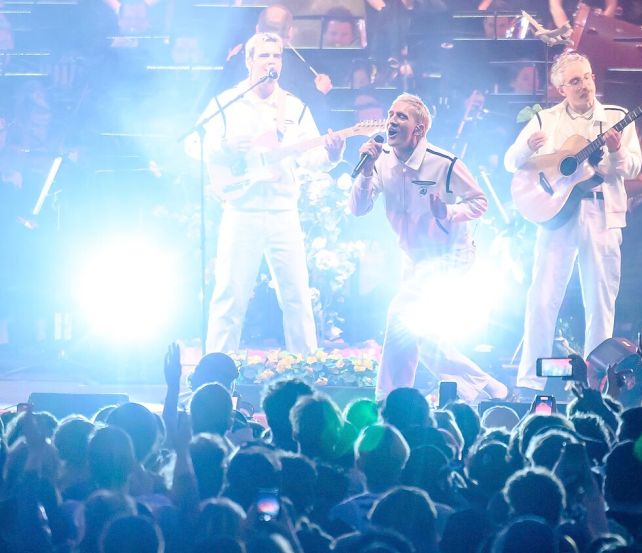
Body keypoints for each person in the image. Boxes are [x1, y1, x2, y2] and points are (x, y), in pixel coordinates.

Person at [349, 93, 508, 402]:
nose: (392, 121)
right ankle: (486, 388)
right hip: (413, 259)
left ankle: (389, 398)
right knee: (419, 333)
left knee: (400, 317)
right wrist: (366, 171)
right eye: (391, 114)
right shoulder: (380, 160)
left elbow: (479, 202)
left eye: (401, 116)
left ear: (418, 129)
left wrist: (447, 212)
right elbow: (358, 209)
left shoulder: (443, 162)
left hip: (450, 254)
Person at [504, 52, 642, 393]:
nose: (585, 85)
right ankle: (531, 379)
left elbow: (633, 168)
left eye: (588, 77)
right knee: (543, 295)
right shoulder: (545, 120)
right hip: (556, 213)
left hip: (602, 212)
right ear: (561, 88)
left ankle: (597, 381)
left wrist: (616, 151)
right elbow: (511, 162)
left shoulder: (617, 116)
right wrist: (527, 149)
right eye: (576, 81)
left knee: (600, 299)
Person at [200, 32, 345, 354]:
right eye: (264, 55)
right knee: (230, 294)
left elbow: (311, 159)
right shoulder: (227, 103)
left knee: (297, 295)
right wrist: (224, 147)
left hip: (283, 212)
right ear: (249, 61)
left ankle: (305, 367)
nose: (271, 61)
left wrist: (332, 155)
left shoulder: (294, 106)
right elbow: (196, 146)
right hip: (241, 210)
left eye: (276, 56)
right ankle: (217, 367)